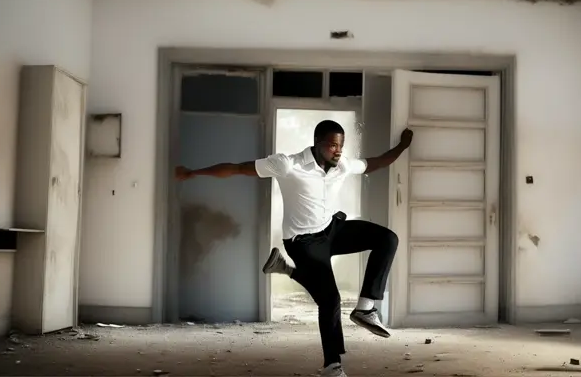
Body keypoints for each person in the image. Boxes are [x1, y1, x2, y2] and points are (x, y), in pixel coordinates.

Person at [175, 120, 413, 377]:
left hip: (332, 229)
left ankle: (365, 307)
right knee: (330, 299)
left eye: (341, 146)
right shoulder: (288, 164)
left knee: (387, 238)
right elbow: (238, 168)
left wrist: (402, 145)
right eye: (332, 145)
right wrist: (192, 173)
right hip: (303, 241)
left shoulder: (341, 165)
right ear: (317, 143)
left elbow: (375, 162)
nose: (338, 151)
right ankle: (332, 366)